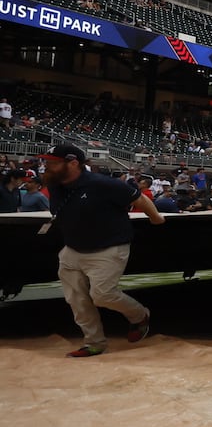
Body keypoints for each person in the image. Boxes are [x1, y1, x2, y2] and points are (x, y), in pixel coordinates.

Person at [41, 143, 164, 357]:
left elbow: (139, 199)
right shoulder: (55, 184)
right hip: (73, 249)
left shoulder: (103, 184)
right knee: (76, 299)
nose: (46, 166)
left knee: (102, 295)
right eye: (46, 162)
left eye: (52, 163)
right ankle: (94, 342)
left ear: (73, 163)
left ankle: (139, 316)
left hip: (108, 248)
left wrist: (156, 218)